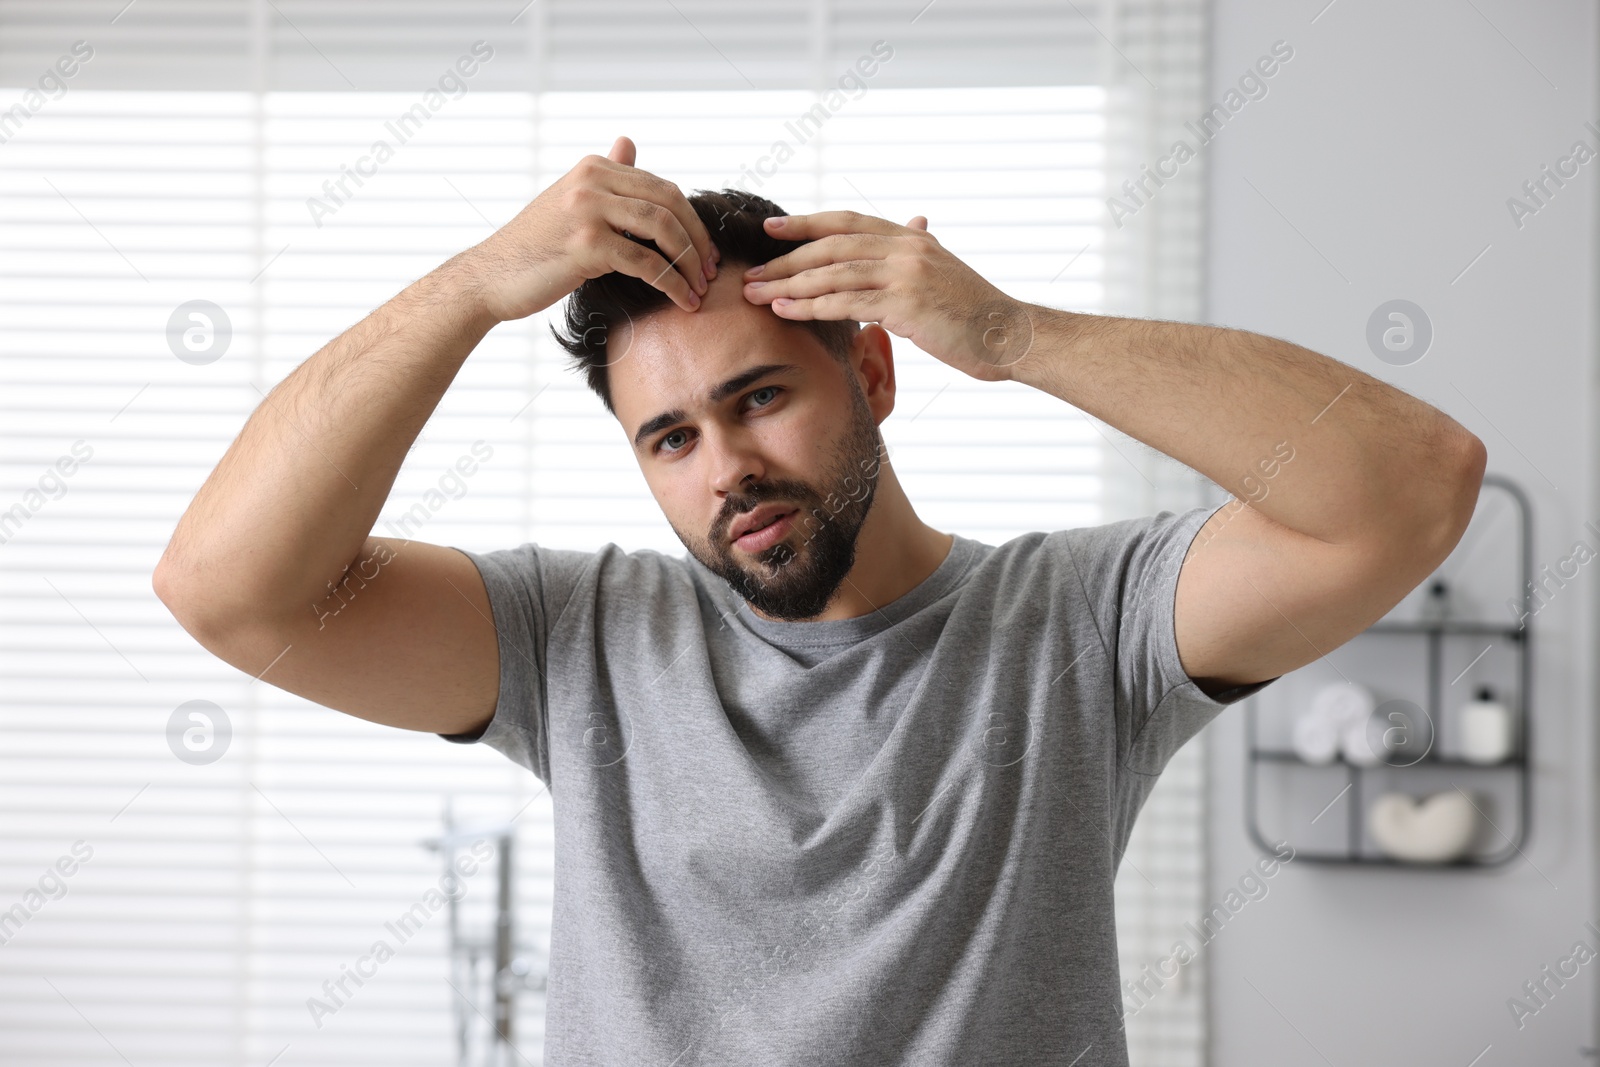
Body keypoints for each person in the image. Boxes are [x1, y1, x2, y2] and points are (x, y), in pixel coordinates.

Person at [154, 135, 1487, 1065]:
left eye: (761, 398)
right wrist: (475, 286)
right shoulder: (576, 644)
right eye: (670, 438)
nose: (726, 467)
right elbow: (225, 588)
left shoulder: (1084, 624)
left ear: (877, 378)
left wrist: (1017, 337)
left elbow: (1415, 485)